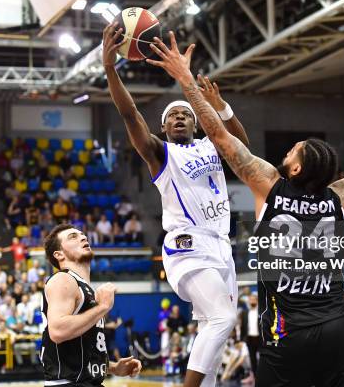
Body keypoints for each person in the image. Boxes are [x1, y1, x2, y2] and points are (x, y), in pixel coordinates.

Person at [147, 32, 344, 386]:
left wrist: (185, 78)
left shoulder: (269, 186)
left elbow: (219, 137)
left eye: (296, 149)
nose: (291, 147)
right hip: (338, 326)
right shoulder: (341, 195)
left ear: (295, 169)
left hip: (287, 331)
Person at [103, 22, 249, 387]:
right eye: (172, 116)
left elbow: (244, 151)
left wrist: (223, 110)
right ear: (164, 128)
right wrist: (109, 68)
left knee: (214, 327)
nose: (180, 117)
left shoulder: (210, 146)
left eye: (186, 114)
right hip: (187, 245)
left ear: (197, 125)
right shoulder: (160, 153)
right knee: (222, 319)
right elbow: (129, 115)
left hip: (221, 244)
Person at [41, 223, 142, 386]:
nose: (83, 237)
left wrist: (114, 368)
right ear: (59, 254)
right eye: (73, 236)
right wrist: (103, 307)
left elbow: (80, 351)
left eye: (82, 234)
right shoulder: (63, 279)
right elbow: (58, 331)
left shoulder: (84, 288)